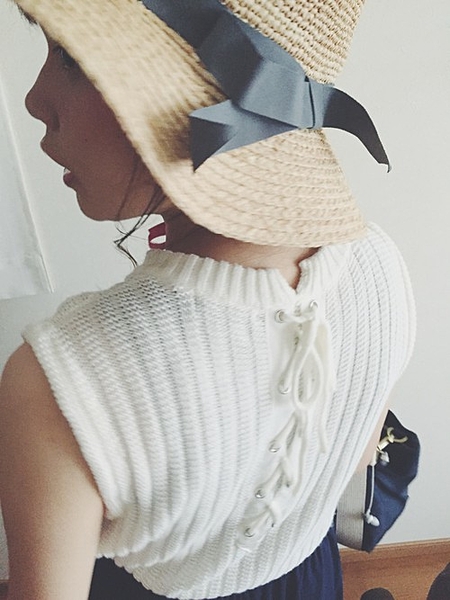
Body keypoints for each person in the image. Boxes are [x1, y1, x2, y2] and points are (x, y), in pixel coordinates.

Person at [0, 1, 415, 599]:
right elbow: (354, 460)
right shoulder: (380, 264)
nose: (34, 100)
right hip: (311, 580)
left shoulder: (64, 380)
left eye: (70, 56)